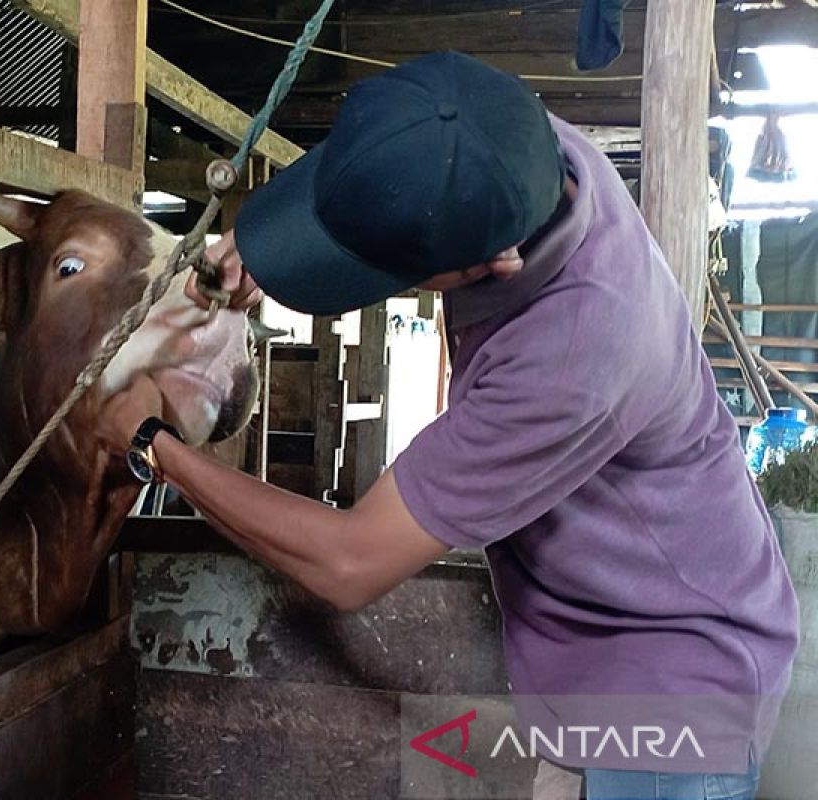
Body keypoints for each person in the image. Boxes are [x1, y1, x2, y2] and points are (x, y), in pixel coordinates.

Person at [100, 52, 798, 799]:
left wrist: (154, 445)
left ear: (494, 262)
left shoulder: (573, 352)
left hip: (672, 697)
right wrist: (269, 239)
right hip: (594, 656)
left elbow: (350, 563)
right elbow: (390, 159)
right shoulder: (505, 144)